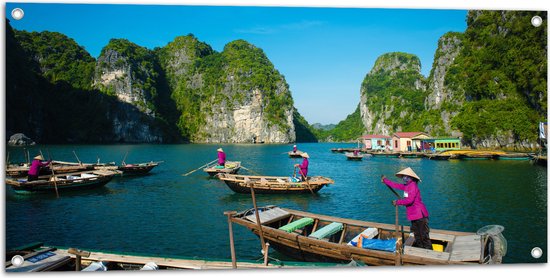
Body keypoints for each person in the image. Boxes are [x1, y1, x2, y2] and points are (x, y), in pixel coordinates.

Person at [381, 167, 432, 250]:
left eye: (406, 176)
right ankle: (421, 251)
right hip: (414, 215)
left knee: (423, 235)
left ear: (410, 177)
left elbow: (409, 200)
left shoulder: (412, 186)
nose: (404, 178)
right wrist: (386, 181)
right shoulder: (407, 186)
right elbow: (396, 185)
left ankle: (429, 253)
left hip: (420, 215)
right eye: (404, 176)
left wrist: (397, 202)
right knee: (417, 235)